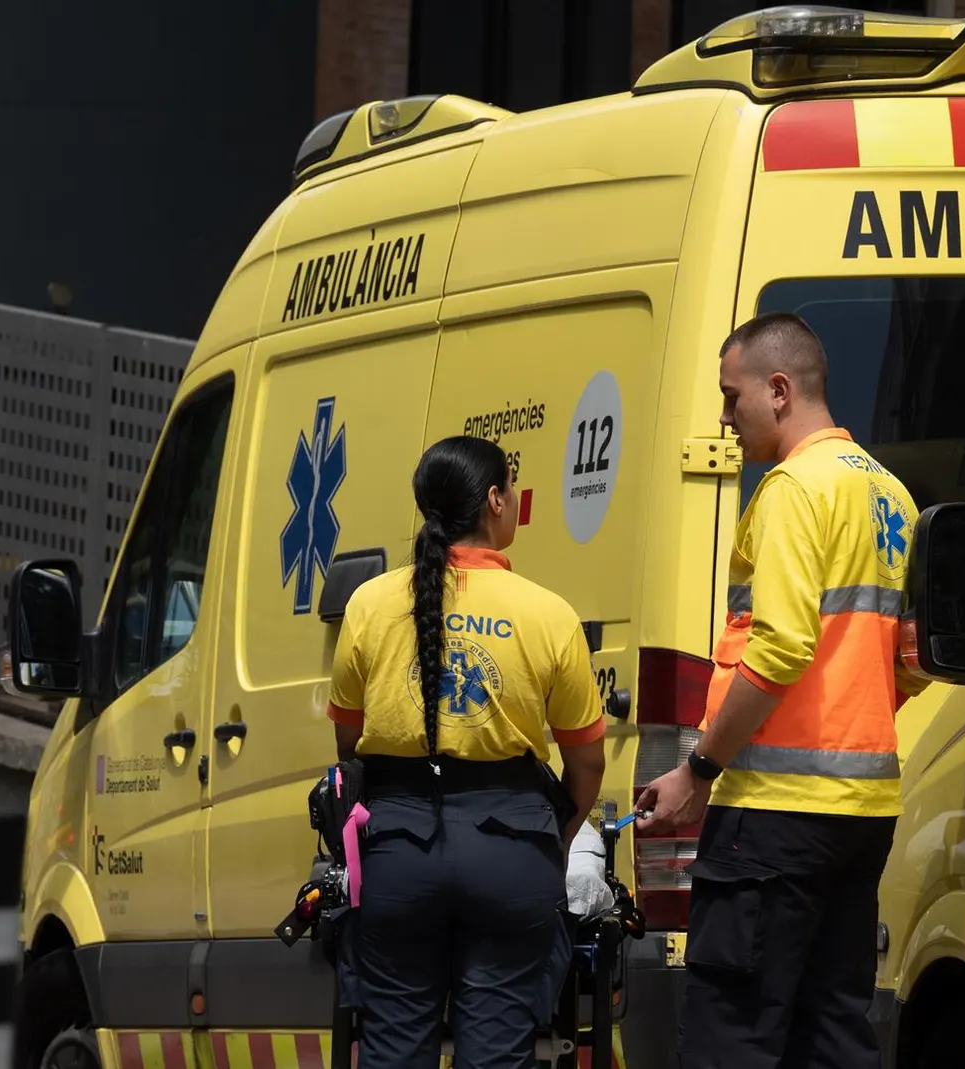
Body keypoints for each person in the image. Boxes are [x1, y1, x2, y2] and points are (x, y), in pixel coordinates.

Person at [636, 313, 924, 1069]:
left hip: (772, 816)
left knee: (732, 1037)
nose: (724, 417)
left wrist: (700, 768)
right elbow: (914, 660)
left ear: (779, 389)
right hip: (861, 813)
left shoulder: (795, 487)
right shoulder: (890, 493)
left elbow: (781, 648)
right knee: (833, 1033)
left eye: (731, 397)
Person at [326, 435, 608, 1069]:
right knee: (499, 1054)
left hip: (397, 850)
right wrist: (554, 836)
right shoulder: (548, 614)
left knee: (393, 1050)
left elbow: (349, 744)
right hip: (512, 853)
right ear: (494, 501)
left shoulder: (369, 605)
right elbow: (587, 761)